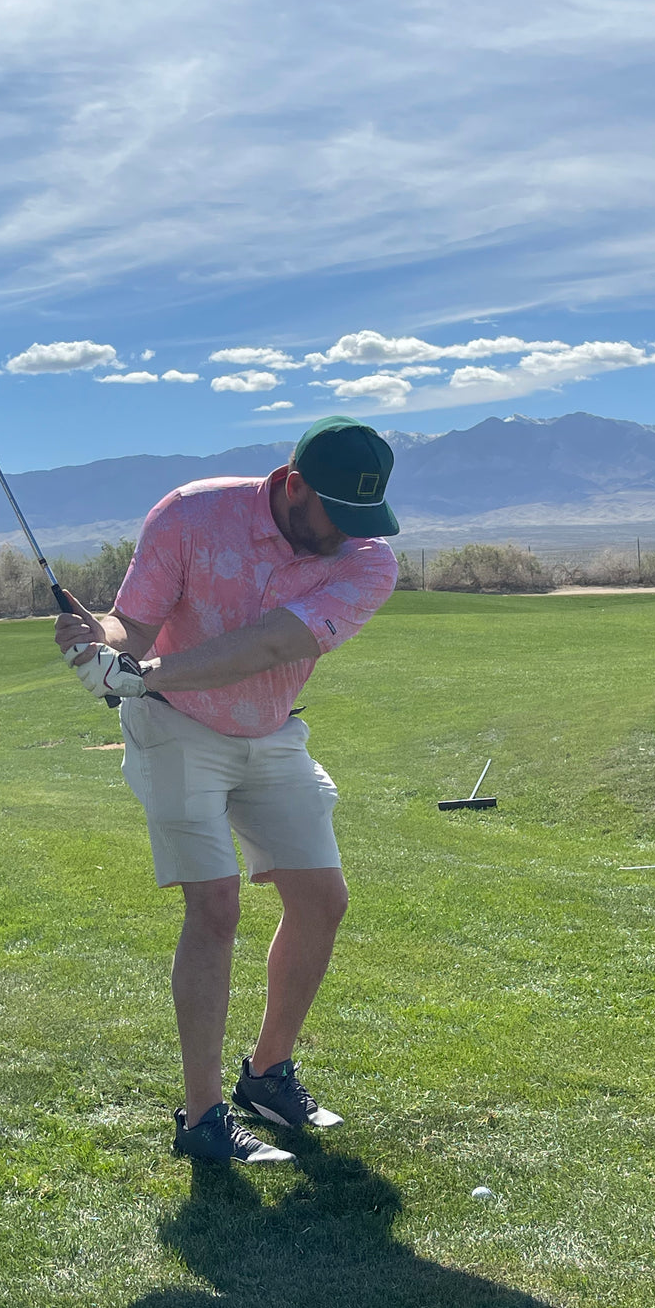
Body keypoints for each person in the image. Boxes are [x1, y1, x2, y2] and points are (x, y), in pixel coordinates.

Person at [54, 416, 399, 1164]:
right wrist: (99, 645)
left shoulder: (368, 561)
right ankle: (203, 1119)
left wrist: (144, 673)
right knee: (214, 906)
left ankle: (268, 1075)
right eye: (335, 514)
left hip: (269, 728)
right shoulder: (192, 513)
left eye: (362, 521)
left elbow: (276, 641)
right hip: (175, 729)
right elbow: (133, 627)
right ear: (294, 483)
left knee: (322, 899)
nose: (346, 535)